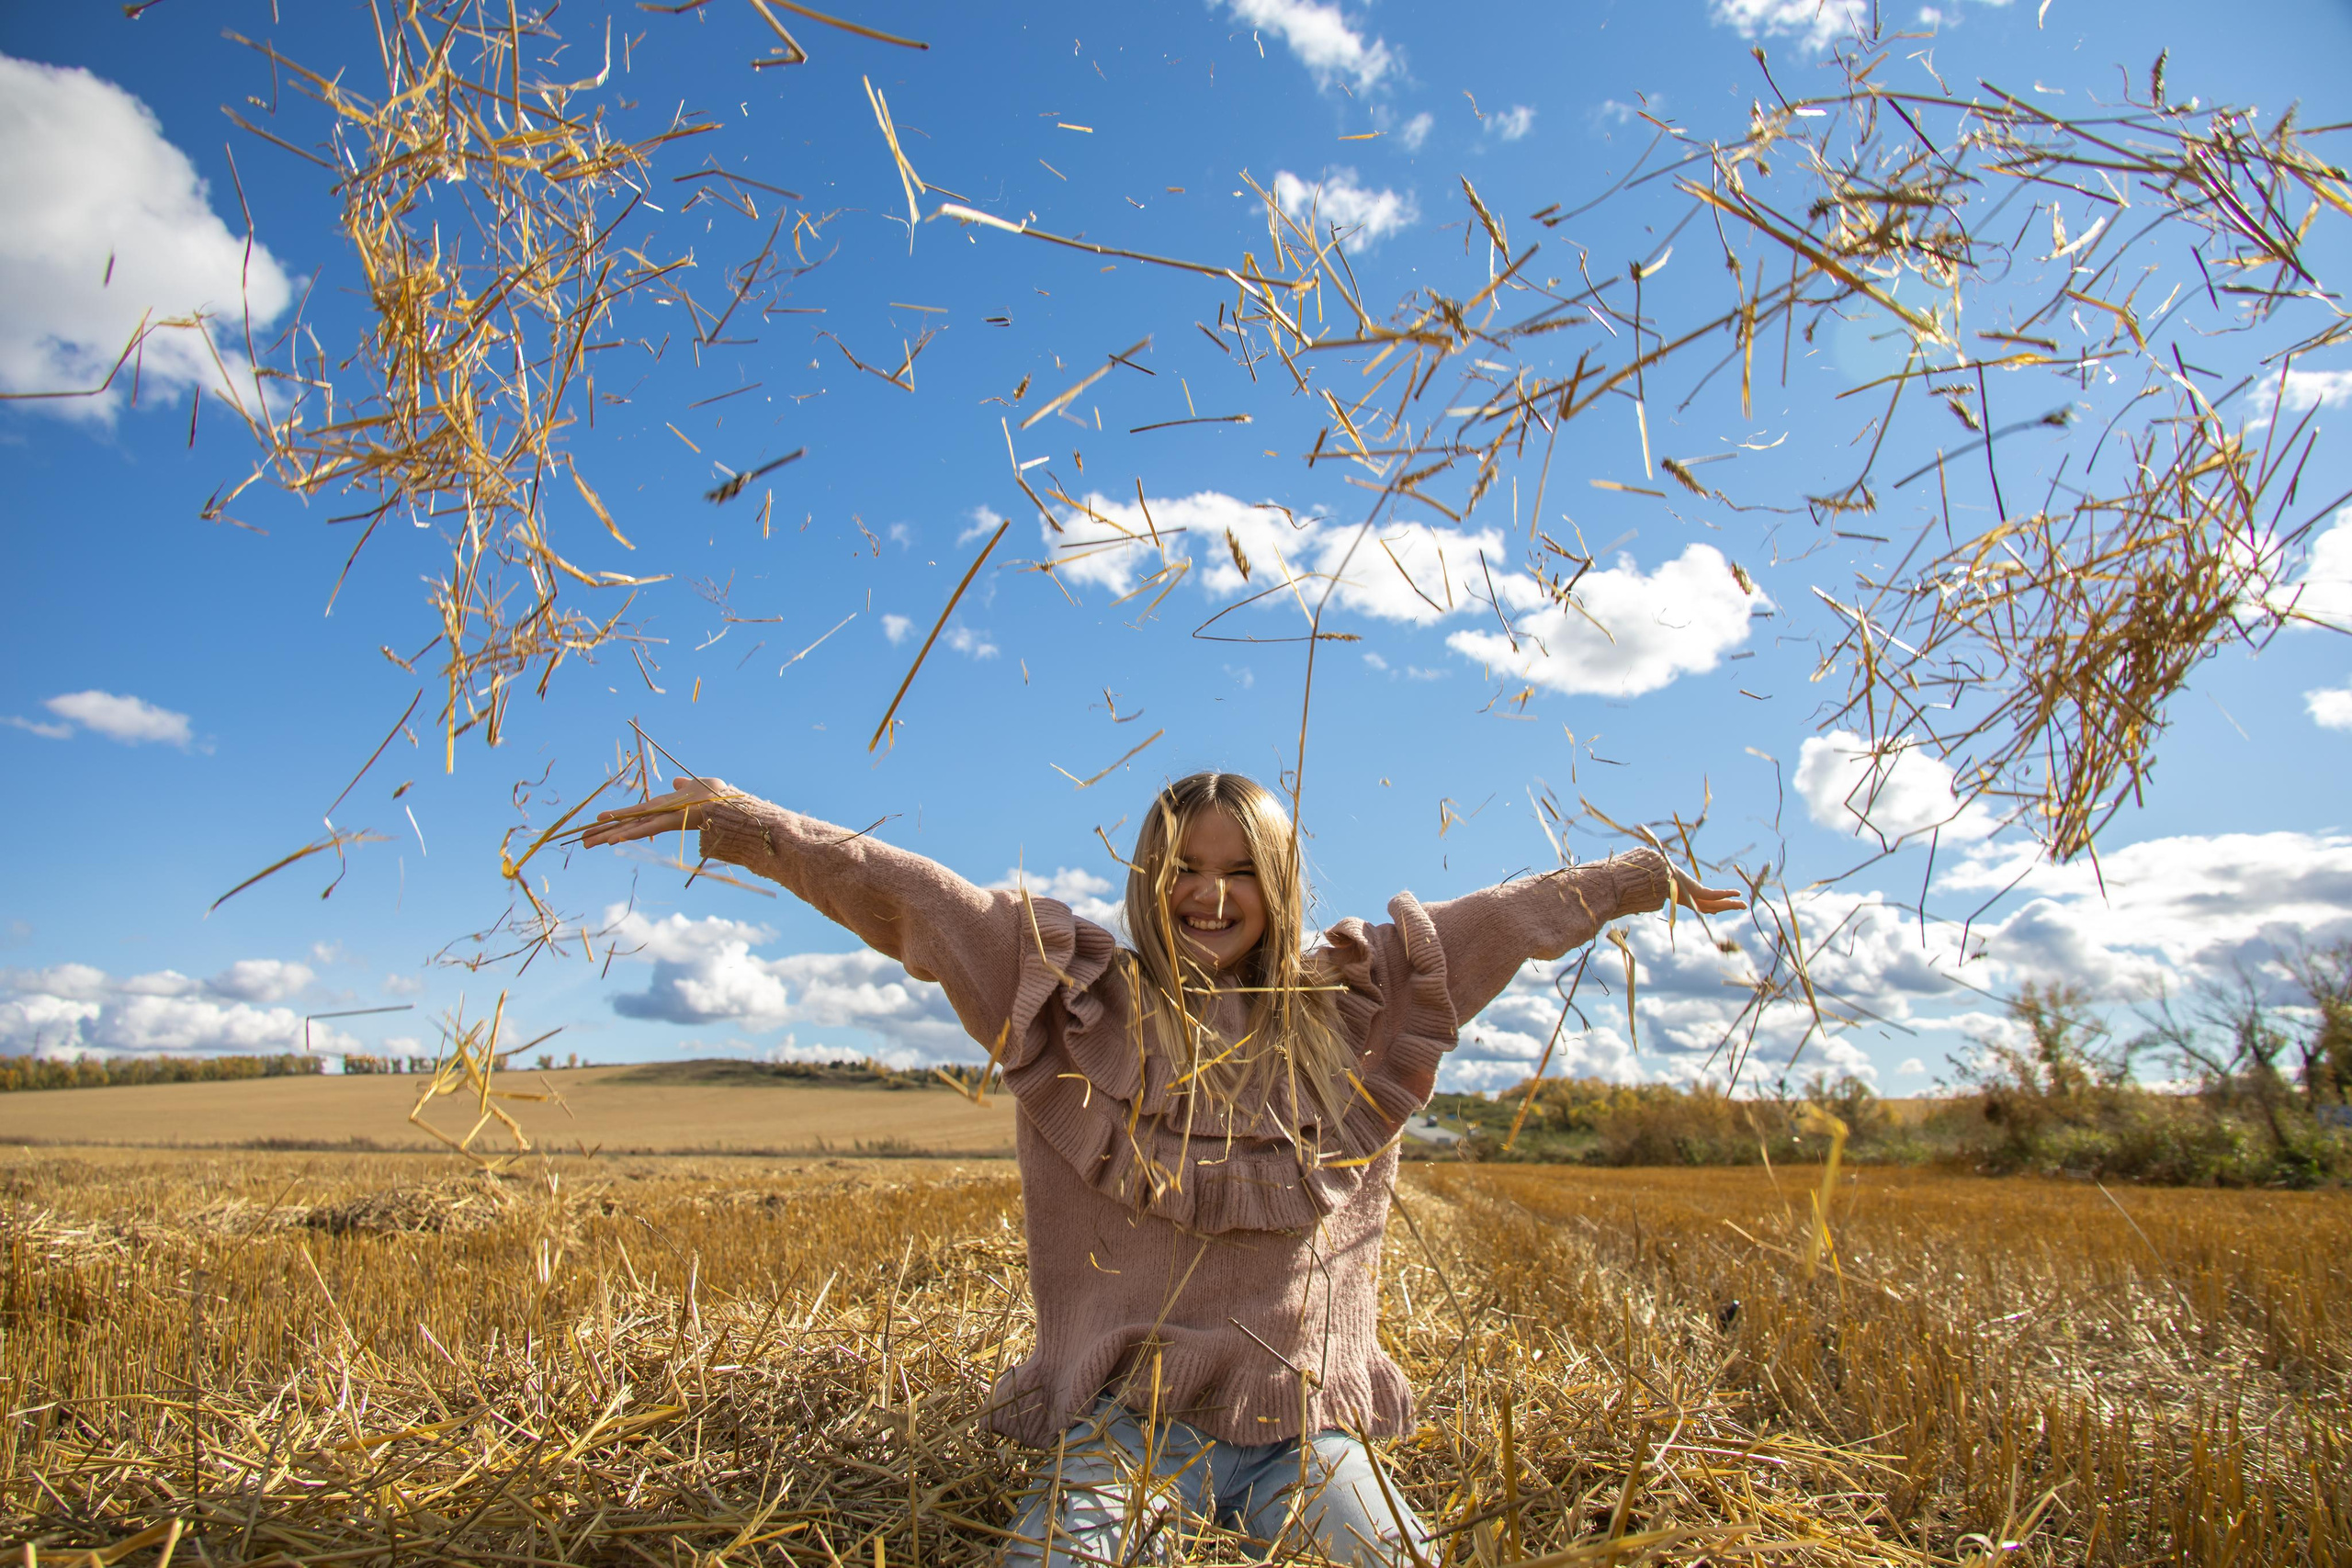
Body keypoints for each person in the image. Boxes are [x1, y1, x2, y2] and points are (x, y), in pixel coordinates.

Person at [582, 770, 1743, 1566]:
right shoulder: (1074, 997)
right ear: (1148, 874)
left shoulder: (1353, 1004)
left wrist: (1638, 880)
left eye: (1241, 871)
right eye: (1185, 866)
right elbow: (915, 899)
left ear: (1280, 884)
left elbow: (1502, 918)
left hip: (1305, 1434)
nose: (1209, 894)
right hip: (1122, 1434)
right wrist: (744, 824)